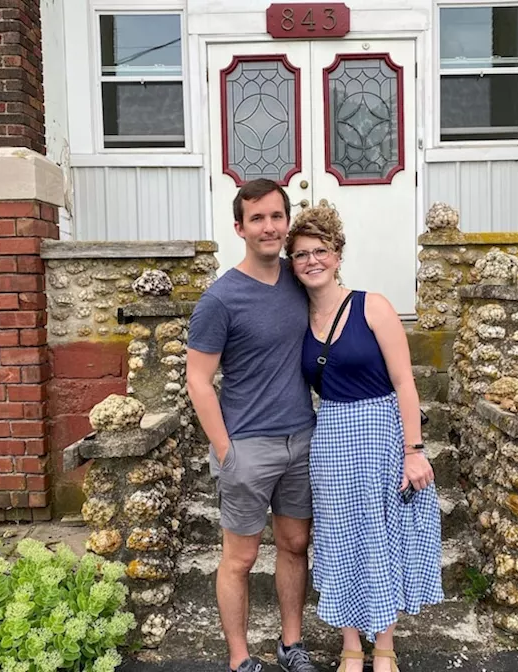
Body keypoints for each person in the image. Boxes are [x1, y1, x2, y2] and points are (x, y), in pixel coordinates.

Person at [285, 203, 443, 672]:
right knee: (338, 540)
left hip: (380, 433)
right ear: (292, 263)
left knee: (381, 535)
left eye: (321, 251)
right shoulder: (300, 321)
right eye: (301, 254)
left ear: (337, 255)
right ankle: (351, 645)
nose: (312, 260)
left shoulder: (371, 305)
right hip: (330, 436)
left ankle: (385, 647)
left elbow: (405, 383)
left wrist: (414, 451)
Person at [186, 178, 319, 672]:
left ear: (287, 223)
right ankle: (240, 659)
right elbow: (199, 381)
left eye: (276, 217)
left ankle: (291, 644)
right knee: (239, 559)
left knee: (294, 545)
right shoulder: (220, 300)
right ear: (240, 227)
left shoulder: (301, 279)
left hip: (302, 439)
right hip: (247, 447)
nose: (269, 227)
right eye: (257, 218)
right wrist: (225, 450)